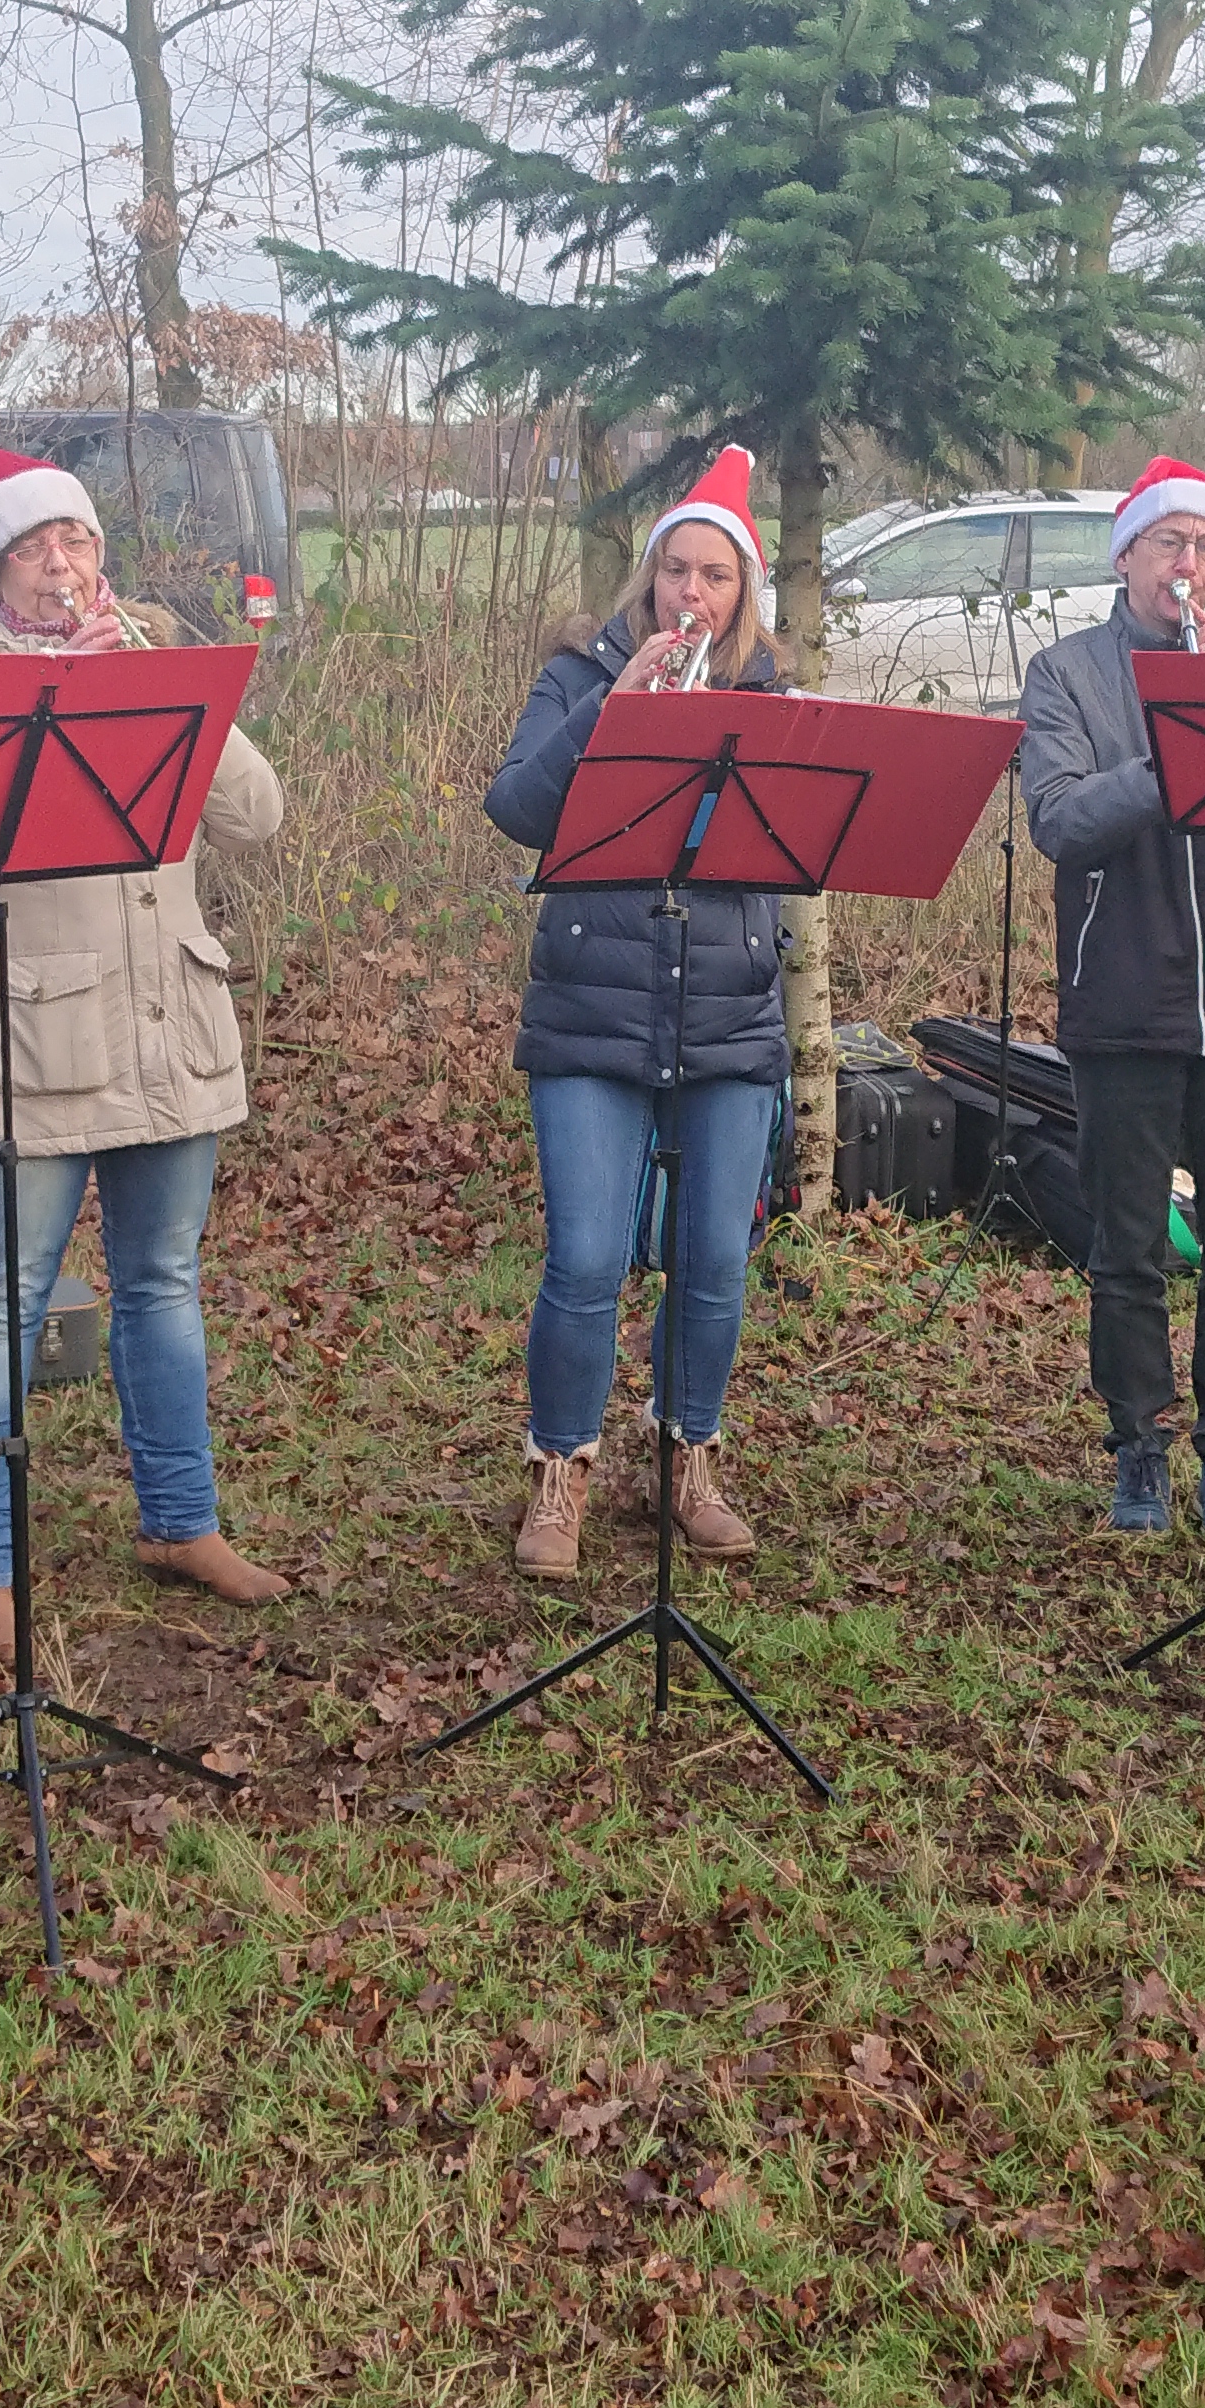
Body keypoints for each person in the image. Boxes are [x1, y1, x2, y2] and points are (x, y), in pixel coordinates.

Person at [0, 449, 292, 1677]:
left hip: (167, 1018)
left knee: (162, 1283)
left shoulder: (156, 656)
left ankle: (181, 1523)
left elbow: (256, 821)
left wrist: (177, 695)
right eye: (34, 549)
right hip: (23, 1030)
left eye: (76, 541)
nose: (63, 567)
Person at [482, 447, 788, 1579]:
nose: (690, 595)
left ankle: (683, 1455)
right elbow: (516, 806)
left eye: (714, 576)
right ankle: (559, 1470)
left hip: (727, 1008)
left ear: (740, 592)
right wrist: (612, 711)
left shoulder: (766, 691)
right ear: (646, 581)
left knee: (712, 1259)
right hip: (590, 1005)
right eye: (674, 572)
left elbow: (799, 852)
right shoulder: (577, 671)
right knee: (585, 1259)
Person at [1018, 457, 1205, 1538]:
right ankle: (1137, 1443)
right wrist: (1184, 745)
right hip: (1121, 997)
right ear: (1126, 556)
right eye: (1168, 544)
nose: (1188, 565)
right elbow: (1061, 819)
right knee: (1125, 1248)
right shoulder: (1066, 675)